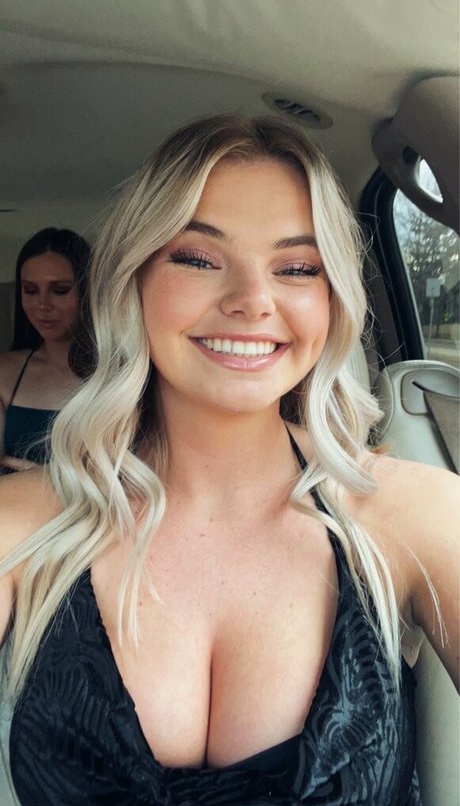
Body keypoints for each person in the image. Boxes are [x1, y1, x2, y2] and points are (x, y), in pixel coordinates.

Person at [0, 115, 458, 805]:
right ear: (132, 281)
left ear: (331, 298)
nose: (252, 300)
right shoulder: (22, 524)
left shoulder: (414, 512)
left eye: (297, 268)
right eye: (198, 258)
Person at [0, 227, 92, 472]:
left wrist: (34, 475)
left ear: (89, 292)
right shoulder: (5, 371)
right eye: (30, 291)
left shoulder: (123, 373)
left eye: (60, 290)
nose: (42, 304)